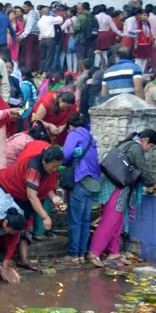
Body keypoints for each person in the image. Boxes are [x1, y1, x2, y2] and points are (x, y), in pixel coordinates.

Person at [88, 130, 156, 267]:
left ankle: (114, 253)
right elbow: (143, 171)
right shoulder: (136, 148)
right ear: (145, 140)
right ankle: (93, 253)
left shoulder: (128, 144)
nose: (149, 150)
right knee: (109, 222)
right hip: (115, 189)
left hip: (119, 188)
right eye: (151, 146)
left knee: (118, 223)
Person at [0, 143, 65, 270]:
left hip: (26, 197)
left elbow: (46, 186)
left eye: (57, 166)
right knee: (8, 224)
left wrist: (53, 196)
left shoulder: (49, 170)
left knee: (26, 226)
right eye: (53, 166)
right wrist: (45, 217)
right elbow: (32, 196)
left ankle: (22, 259)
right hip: (8, 188)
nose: (55, 169)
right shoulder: (34, 168)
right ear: (44, 161)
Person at [59, 113, 100, 265]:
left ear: (70, 125)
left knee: (75, 220)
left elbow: (65, 154)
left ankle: (73, 255)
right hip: (93, 182)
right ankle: (81, 254)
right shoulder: (90, 136)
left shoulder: (74, 134)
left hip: (81, 179)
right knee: (84, 220)